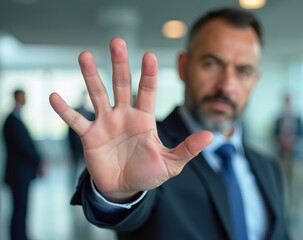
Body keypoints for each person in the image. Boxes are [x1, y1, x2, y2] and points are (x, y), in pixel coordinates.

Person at [49, 7, 289, 240]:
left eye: (243, 71)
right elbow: (133, 210)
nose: (226, 85)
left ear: (254, 80)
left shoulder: (268, 168)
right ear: (183, 67)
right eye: (211, 64)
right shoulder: (145, 148)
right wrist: (118, 194)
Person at [3, 89, 44, 240]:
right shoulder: (12, 120)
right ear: (17, 98)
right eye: (24, 96)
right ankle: (17, 236)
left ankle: (22, 235)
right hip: (18, 173)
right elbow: (23, 146)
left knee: (22, 207)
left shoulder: (17, 118)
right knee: (19, 208)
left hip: (22, 172)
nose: (26, 99)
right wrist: (39, 160)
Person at [274, 94, 303, 227]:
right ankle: (283, 211)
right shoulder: (279, 119)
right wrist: (281, 141)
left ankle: (294, 213)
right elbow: (274, 134)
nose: (288, 104)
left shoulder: (299, 119)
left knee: (295, 185)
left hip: (295, 156)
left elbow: (302, 136)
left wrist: (293, 142)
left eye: (289, 101)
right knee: (281, 184)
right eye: (286, 101)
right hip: (282, 155)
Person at [67, 91, 95, 188]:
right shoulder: (74, 111)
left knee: (88, 168)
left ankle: (87, 186)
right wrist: (70, 149)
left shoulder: (91, 113)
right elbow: (69, 134)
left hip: (86, 146)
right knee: (74, 168)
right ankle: (71, 186)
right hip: (75, 147)